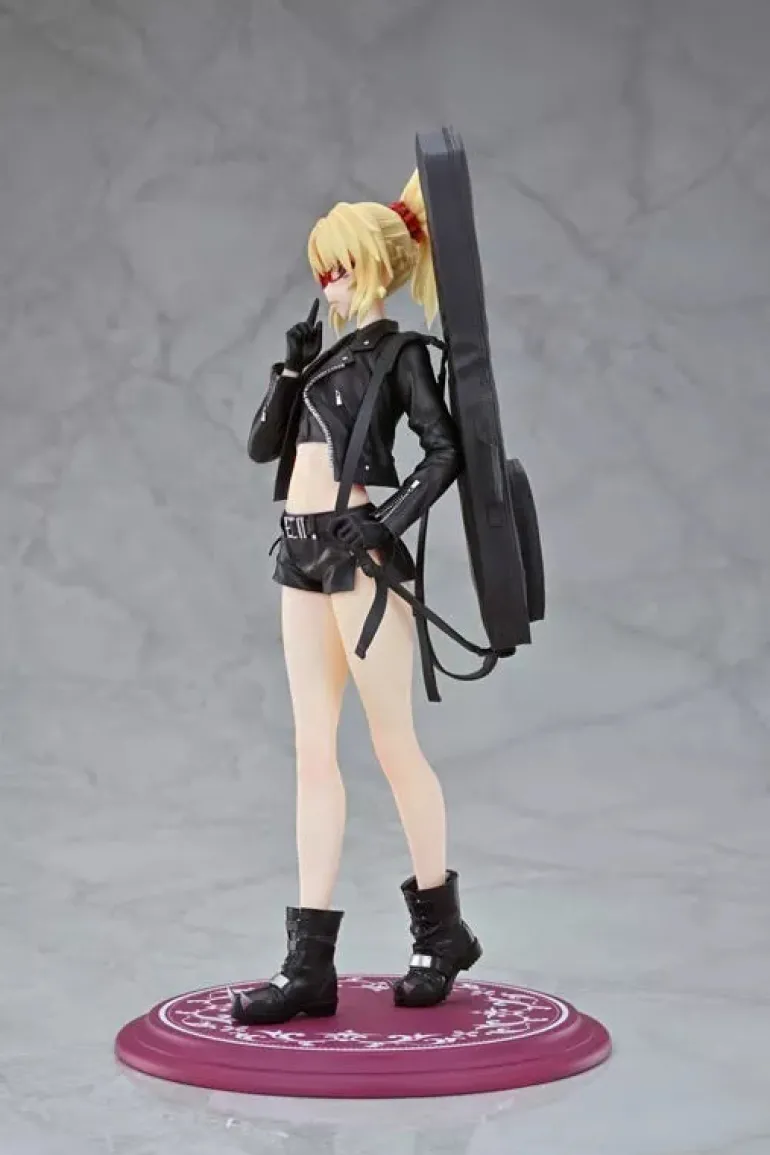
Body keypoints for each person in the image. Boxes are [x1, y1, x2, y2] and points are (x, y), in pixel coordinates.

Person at [231, 171, 482, 1028]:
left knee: (392, 742)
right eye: (322, 269)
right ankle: (309, 967)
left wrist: (384, 524)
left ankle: (442, 932)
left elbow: (444, 451)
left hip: (360, 558)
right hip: (299, 555)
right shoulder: (321, 359)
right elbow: (262, 447)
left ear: (373, 264)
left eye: (338, 267)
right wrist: (287, 368)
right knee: (312, 752)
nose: (328, 282)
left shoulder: (400, 354)